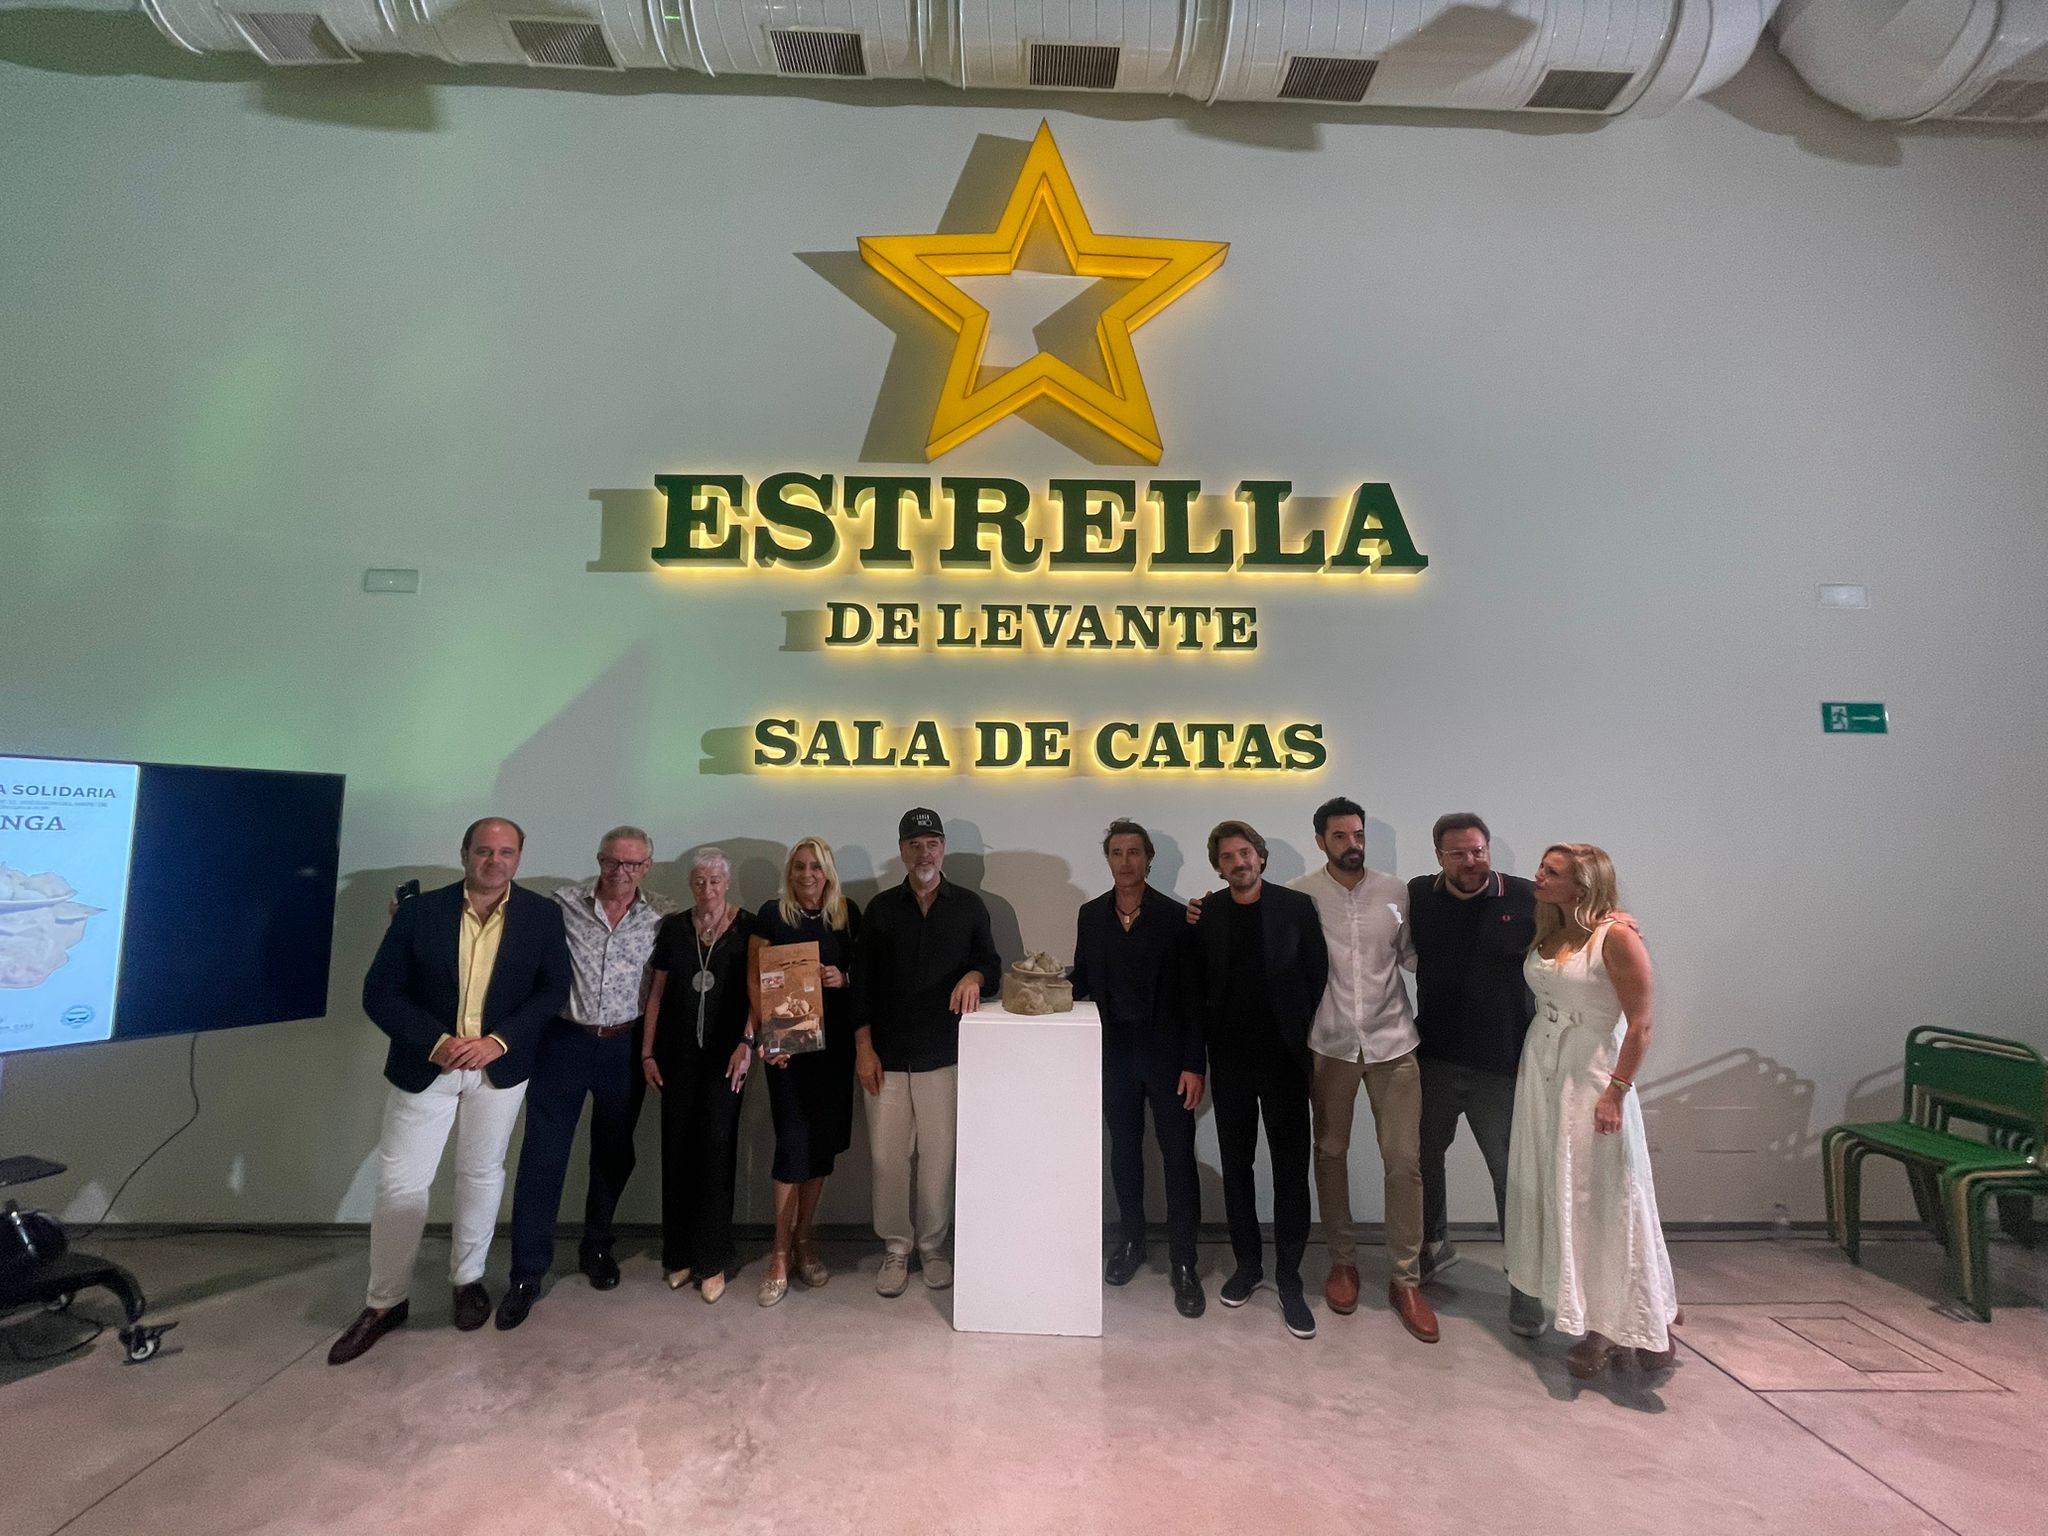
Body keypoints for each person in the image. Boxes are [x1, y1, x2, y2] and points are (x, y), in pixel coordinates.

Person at [328, 817, 571, 1366]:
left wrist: (498, 1042)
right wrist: (435, 1042)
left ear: (519, 859)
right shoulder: (420, 912)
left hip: (497, 1069)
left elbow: (553, 988)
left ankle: (468, 1281)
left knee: (481, 1175)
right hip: (425, 1065)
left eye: (506, 852)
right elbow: (379, 992)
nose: (494, 861)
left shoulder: (542, 916)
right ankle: (385, 1302)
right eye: (484, 851)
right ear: (464, 854)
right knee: (401, 1186)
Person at [1505, 843, 1679, 1378]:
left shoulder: (1616, 936)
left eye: (1550, 872)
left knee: (1605, 1195)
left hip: (1593, 1074)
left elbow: (1641, 1023)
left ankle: (1623, 1323)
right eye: (1541, 868)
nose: (1537, 877)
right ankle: (1590, 1315)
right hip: (1544, 1068)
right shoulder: (1549, 928)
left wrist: (1616, 1092)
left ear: (1582, 885)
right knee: (1563, 1189)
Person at [496, 826, 675, 1330]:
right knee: (543, 1156)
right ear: (599, 860)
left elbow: (709, 935)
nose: (622, 872)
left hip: (625, 1046)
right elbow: (495, 922)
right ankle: (526, 1273)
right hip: (564, 1042)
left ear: (647, 867)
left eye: (634, 864)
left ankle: (597, 1246)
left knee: (613, 1152)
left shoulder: (663, 913)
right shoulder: (560, 905)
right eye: (613, 862)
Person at [1291, 796, 1436, 1343]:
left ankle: (1406, 1280)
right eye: (1340, 836)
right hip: (1330, 1044)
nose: (1352, 845)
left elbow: (1414, 956)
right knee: (1330, 1153)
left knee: (1404, 1162)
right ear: (1320, 841)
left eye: (1358, 835)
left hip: (1393, 1042)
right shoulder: (1301, 895)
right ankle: (1343, 1262)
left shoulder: (1396, 891)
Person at [852, 808, 1000, 1298]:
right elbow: (861, 985)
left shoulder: (969, 906)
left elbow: (990, 965)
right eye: (914, 845)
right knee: (887, 1159)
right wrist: (864, 1049)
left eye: (932, 843)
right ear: (902, 851)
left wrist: (974, 975)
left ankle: (933, 1246)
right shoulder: (880, 910)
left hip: (944, 1055)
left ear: (943, 849)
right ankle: (896, 1246)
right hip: (887, 1058)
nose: (924, 853)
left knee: (939, 1158)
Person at [1190, 819, 1327, 1340]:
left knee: (1291, 1170)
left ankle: (1290, 1277)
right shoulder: (1208, 914)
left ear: (1260, 857)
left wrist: (1303, 1038)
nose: (1238, 862)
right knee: (1237, 1167)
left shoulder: (1296, 908)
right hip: (1230, 1062)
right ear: (1218, 867)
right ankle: (1247, 1266)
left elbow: (1317, 975)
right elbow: (1198, 985)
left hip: (1286, 1060)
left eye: (1245, 852)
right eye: (1227, 857)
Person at [1071, 819, 1205, 1319]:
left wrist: (1194, 1063)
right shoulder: (1090, 916)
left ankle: (1184, 1261)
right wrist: (1039, 986)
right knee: (1124, 1152)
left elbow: (1193, 996)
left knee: (1178, 1158)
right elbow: (1082, 982)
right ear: (1107, 860)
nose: (1125, 861)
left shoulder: (1177, 917)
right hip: (1115, 1056)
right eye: (1116, 852)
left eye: (1134, 852)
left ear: (1149, 859)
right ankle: (1131, 1241)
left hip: (1169, 1058)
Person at [1408, 813, 1532, 1293]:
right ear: (1439, 857)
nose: (1470, 861)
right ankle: (1434, 1246)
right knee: (1423, 1162)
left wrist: (1615, 921)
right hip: (1434, 1060)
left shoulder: (1524, 897)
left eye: (1478, 851)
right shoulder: (1419, 895)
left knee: (1510, 1177)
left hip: (1501, 1067)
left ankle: (1524, 1281)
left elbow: (1578, 924)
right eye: (1458, 853)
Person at [747, 837, 861, 1307]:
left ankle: (804, 1241)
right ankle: (778, 1253)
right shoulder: (772, 915)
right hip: (789, 1052)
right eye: (799, 866)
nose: (808, 874)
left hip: (834, 1052)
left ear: (828, 871)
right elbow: (755, 978)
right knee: (792, 1145)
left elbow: (863, 972)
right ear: (790, 872)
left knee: (822, 1148)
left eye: (816, 866)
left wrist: (842, 977)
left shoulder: (846, 914)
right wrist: (769, 1037)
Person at [644, 848, 755, 1304]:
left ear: (726, 883)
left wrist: (747, 1042)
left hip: (726, 1060)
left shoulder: (748, 928)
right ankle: (680, 1253)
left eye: (714, 880)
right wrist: (647, 1051)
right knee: (677, 1151)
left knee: (716, 1151)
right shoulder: (674, 928)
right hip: (677, 1058)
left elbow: (759, 992)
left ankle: (713, 1259)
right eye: (699, 881)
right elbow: (656, 994)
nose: (706, 888)